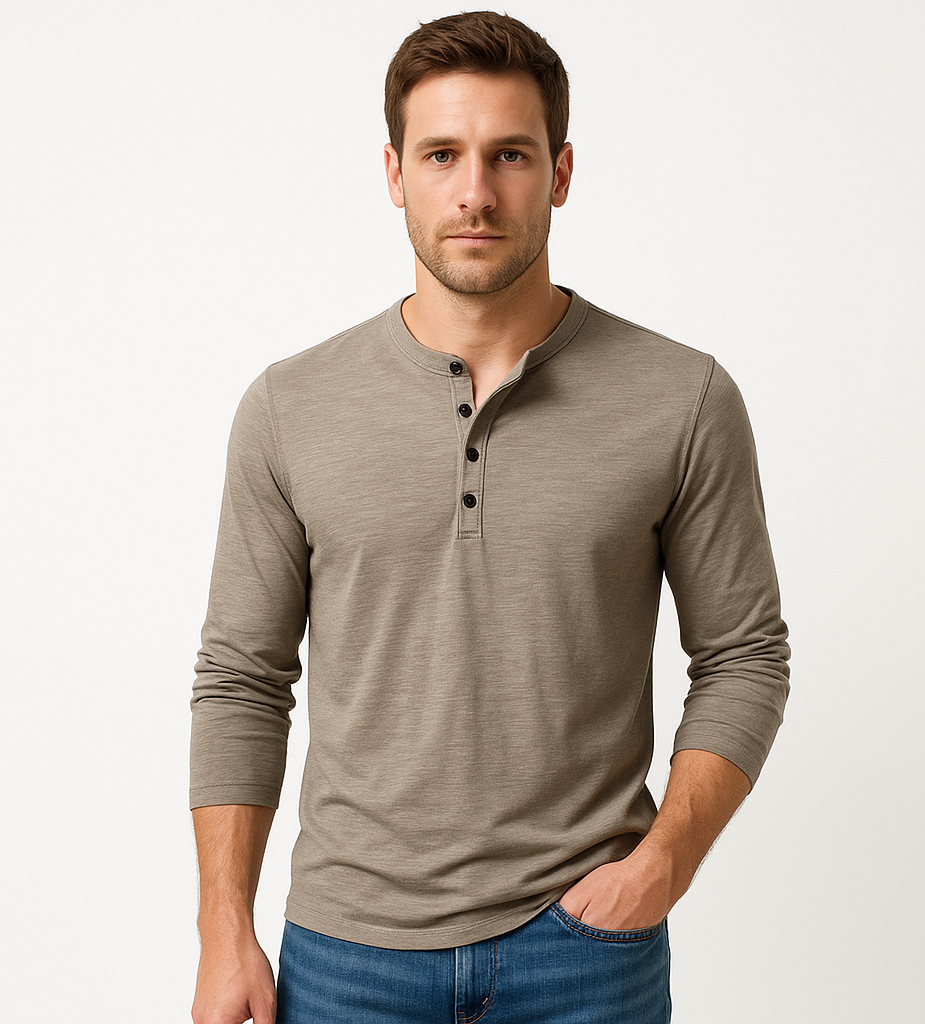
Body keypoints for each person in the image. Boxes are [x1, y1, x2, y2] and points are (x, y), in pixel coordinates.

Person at [189, 11, 789, 1024]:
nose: (475, 192)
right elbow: (242, 678)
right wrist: (223, 932)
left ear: (560, 173)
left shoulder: (681, 398)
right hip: (348, 955)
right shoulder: (290, 407)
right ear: (395, 174)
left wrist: (662, 866)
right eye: (442, 155)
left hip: (585, 955)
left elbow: (744, 656)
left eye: (509, 154)